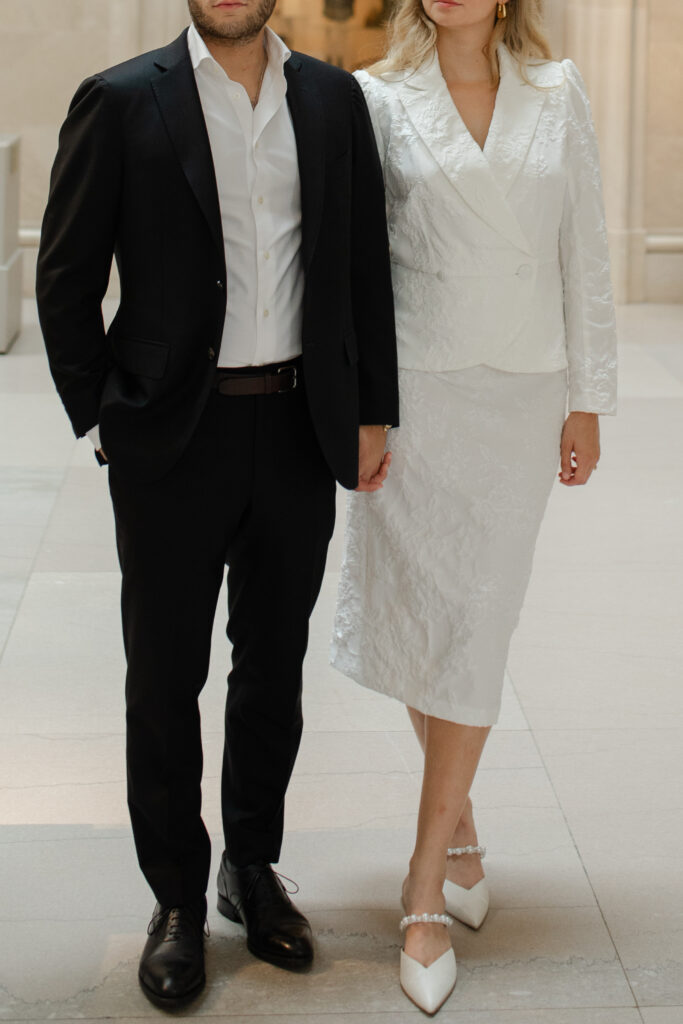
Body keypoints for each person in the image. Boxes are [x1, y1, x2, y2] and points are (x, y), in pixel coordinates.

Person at [37, 0, 398, 1008]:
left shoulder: (330, 101)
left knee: (271, 668)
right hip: (172, 440)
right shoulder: (119, 103)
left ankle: (249, 867)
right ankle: (174, 900)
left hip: (294, 429)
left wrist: (371, 410)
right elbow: (65, 278)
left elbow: (360, 264)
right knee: (162, 679)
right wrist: (106, 411)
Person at [331, 0, 617, 1013]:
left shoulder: (558, 91)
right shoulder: (376, 99)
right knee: (430, 614)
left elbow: (582, 246)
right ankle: (456, 829)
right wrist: (364, 411)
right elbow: (360, 267)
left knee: (478, 620)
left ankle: (421, 883)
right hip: (418, 399)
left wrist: (587, 394)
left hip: (518, 399)